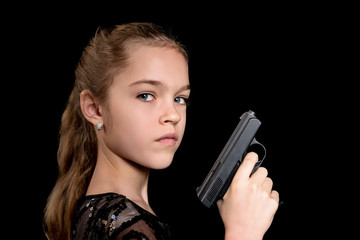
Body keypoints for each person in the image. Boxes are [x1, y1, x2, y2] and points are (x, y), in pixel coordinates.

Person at [43, 22, 279, 240]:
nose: (173, 115)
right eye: (146, 95)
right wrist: (244, 231)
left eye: (180, 98)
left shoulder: (106, 216)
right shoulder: (129, 229)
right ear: (94, 109)